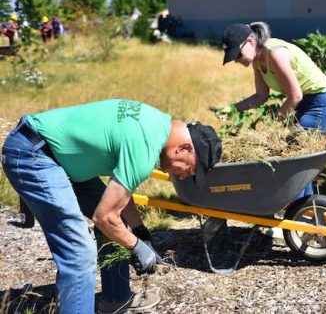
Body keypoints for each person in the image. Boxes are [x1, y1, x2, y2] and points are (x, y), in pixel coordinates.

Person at [1, 99, 222, 314]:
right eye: (190, 168)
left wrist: (139, 231)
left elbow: (120, 193)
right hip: (34, 154)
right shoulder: (145, 146)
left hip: (60, 156)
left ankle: (115, 299)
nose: (184, 175)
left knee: (119, 227)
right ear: (183, 148)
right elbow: (104, 216)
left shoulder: (155, 124)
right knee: (79, 252)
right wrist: (136, 246)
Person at [221, 22, 326, 197]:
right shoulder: (257, 61)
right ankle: (302, 208)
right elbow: (261, 96)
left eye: (237, 54)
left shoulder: (276, 54)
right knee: (296, 157)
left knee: (295, 156)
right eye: (234, 58)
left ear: (251, 42)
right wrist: (232, 108)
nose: (237, 60)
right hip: (304, 101)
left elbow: (295, 96)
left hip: (322, 100)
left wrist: (276, 122)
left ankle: (295, 210)